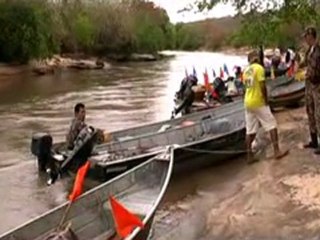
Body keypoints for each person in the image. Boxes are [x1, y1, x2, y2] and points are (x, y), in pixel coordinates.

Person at [243, 50, 289, 164]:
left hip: (248, 102)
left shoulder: (245, 71)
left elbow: (246, 88)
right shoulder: (259, 68)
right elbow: (262, 85)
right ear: (256, 58)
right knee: (272, 124)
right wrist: (266, 100)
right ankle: (277, 151)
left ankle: (249, 156)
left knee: (250, 131)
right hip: (258, 101)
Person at [301, 27, 320, 154]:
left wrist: (309, 74)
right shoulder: (310, 50)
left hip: (317, 85)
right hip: (309, 85)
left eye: (306, 37)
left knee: (319, 114)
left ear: (311, 36)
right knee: (310, 111)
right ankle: (314, 140)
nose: (305, 39)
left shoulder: (318, 51)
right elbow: (306, 63)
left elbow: (315, 69)